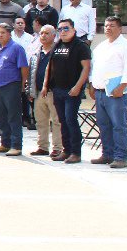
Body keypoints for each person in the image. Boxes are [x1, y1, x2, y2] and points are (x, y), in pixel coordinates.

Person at [88, 16, 127, 168]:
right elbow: (94, 67)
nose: (108, 28)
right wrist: (92, 85)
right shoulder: (101, 46)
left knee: (118, 125)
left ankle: (120, 157)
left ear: (120, 29)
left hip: (116, 92)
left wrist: (121, 88)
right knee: (103, 124)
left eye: (112, 26)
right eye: (106, 26)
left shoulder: (126, 46)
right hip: (100, 91)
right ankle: (107, 154)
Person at [45, 18, 92, 164]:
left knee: (70, 120)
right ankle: (66, 150)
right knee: (62, 121)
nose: (63, 31)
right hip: (58, 89)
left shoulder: (81, 46)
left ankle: (76, 153)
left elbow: (86, 68)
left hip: (72, 90)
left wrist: (78, 87)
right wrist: (46, 85)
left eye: (66, 28)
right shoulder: (57, 45)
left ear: (74, 30)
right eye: (60, 29)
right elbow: (50, 65)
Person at [0, 24, 29, 156]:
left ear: (9, 34)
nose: (0, 35)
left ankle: (16, 145)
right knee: (2, 116)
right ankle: (5, 143)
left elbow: (24, 67)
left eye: (3, 32)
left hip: (11, 85)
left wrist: (22, 85)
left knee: (13, 116)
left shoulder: (16, 48)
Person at [26, 25, 61, 157]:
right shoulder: (36, 53)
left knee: (56, 121)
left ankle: (57, 148)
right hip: (38, 92)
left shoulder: (58, 52)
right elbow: (31, 72)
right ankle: (43, 147)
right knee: (41, 121)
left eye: (47, 33)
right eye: (41, 33)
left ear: (54, 36)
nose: (43, 36)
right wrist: (30, 90)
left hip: (53, 91)